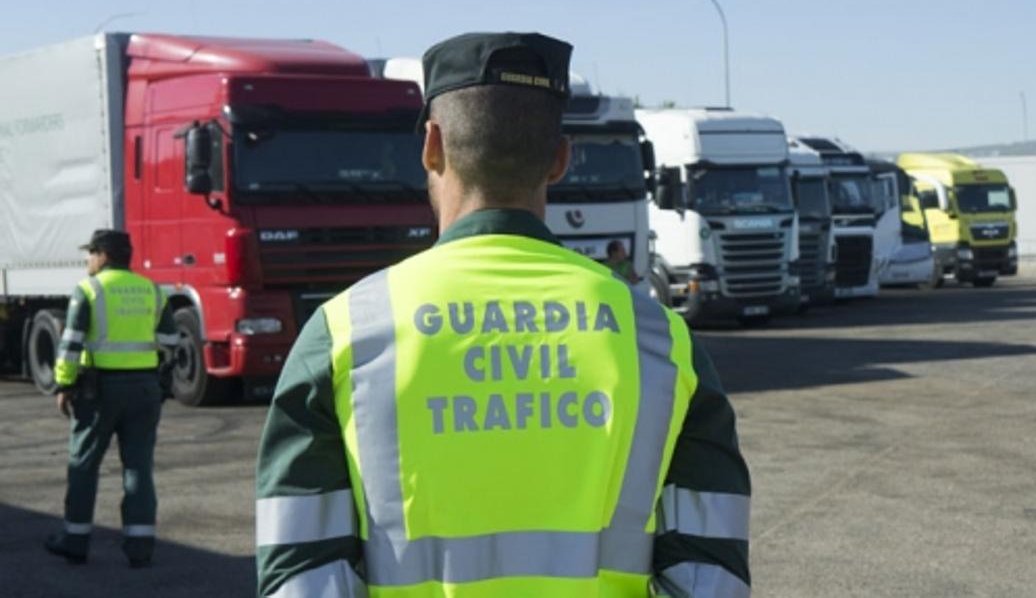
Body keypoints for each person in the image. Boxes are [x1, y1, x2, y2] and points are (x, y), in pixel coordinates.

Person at [255, 32, 751, 597]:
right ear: (561, 157)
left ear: (432, 145)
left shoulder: (345, 335)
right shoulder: (661, 341)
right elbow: (711, 579)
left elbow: (301, 578)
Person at [44, 229, 178, 568]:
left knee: (84, 465)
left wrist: (64, 385)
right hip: (145, 390)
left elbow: (71, 344)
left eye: (90, 253)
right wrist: (156, 380)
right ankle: (140, 548)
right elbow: (171, 341)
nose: (88, 260)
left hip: (99, 391)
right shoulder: (152, 290)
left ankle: (75, 540)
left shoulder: (88, 290)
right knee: (138, 466)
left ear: (103, 255)